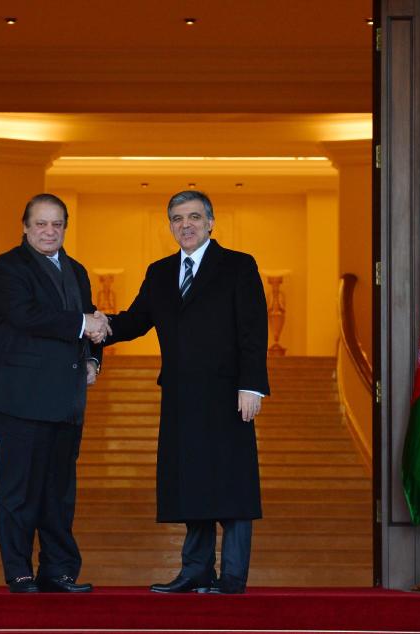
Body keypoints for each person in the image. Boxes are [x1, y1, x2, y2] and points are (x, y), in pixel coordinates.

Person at [105, 190, 269, 595]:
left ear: (211, 222)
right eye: (177, 219)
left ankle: (231, 577)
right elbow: (134, 321)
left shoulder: (238, 266)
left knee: (232, 485)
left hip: (230, 395)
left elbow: (253, 330)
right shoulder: (159, 272)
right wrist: (91, 326)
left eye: (194, 217)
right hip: (180, 397)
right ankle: (195, 570)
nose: (186, 225)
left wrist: (252, 386)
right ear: (170, 226)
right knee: (191, 483)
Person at [0, 192, 106, 593]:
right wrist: (83, 324)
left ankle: (58, 571)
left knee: (59, 494)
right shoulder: (5, 268)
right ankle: (18, 573)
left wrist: (92, 360)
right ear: (25, 227)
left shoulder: (77, 269)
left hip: (66, 401)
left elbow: (88, 323)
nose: (49, 231)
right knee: (18, 493)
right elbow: (26, 316)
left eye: (57, 224)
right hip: (21, 401)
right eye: (41, 223)